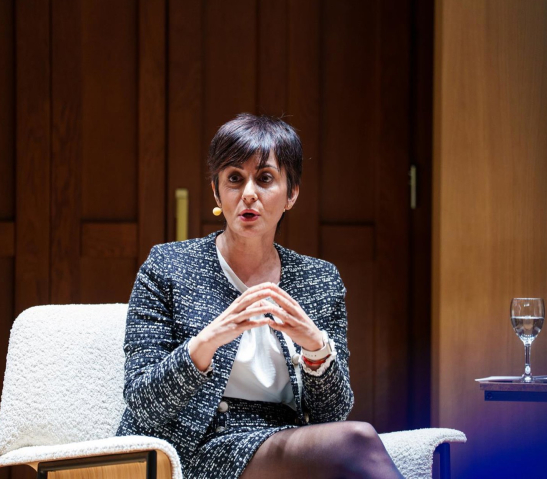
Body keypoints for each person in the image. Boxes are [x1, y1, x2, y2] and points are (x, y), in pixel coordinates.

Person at [117, 113, 402, 478]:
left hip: (283, 445)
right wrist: (206, 342)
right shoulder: (168, 266)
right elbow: (142, 402)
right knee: (358, 439)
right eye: (234, 179)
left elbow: (332, 414)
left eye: (265, 178)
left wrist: (315, 347)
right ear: (217, 192)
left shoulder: (319, 280)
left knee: (353, 441)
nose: (248, 193)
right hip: (192, 449)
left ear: (291, 194)